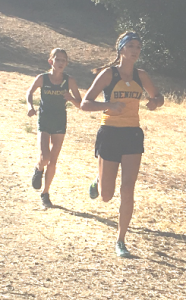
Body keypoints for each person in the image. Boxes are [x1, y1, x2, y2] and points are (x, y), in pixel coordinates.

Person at [80, 32, 164, 257]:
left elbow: (159, 97)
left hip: (132, 135)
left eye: (138, 46)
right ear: (121, 49)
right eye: (131, 46)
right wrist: (109, 105)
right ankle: (98, 180)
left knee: (128, 188)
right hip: (109, 133)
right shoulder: (109, 74)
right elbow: (85, 103)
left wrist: (154, 102)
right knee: (106, 194)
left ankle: (121, 241)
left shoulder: (142, 75)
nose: (135, 50)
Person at [27, 48, 82, 208]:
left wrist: (70, 98)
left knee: (53, 160)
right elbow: (29, 92)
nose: (60, 63)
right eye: (57, 59)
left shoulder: (69, 80)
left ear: (66, 63)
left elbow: (80, 103)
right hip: (44, 120)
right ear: (51, 61)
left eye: (63, 60)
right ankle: (38, 169)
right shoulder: (42, 78)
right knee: (45, 157)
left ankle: (45, 193)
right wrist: (30, 106)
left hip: (59, 122)